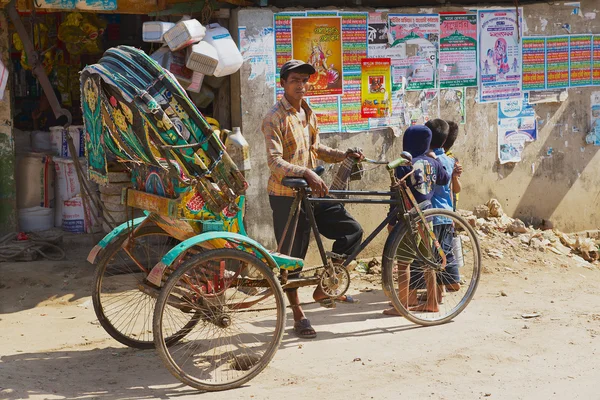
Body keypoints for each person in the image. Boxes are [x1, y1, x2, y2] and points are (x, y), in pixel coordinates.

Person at [262, 59, 364, 339]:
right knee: (292, 259)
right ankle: (298, 314)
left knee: (353, 231)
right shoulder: (274, 117)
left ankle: (324, 286)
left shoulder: (308, 112)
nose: (301, 86)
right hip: (286, 196)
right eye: (295, 80)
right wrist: (305, 172)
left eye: (305, 81)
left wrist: (343, 155)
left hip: (313, 193)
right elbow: (274, 161)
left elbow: (315, 148)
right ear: (283, 83)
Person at [383, 125, 450, 316]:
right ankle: (432, 302)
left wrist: (391, 219)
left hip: (409, 220)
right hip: (427, 216)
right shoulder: (433, 162)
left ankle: (402, 305)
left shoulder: (403, 164)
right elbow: (444, 179)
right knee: (428, 262)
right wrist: (435, 159)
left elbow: (395, 195)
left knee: (403, 263)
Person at [430, 120, 463, 292]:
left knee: (434, 255)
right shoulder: (451, 161)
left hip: (434, 215)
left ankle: (445, 287)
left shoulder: (429, 160)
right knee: (445, 251)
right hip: (447, 214)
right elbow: (456, 189)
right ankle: (443, 288)